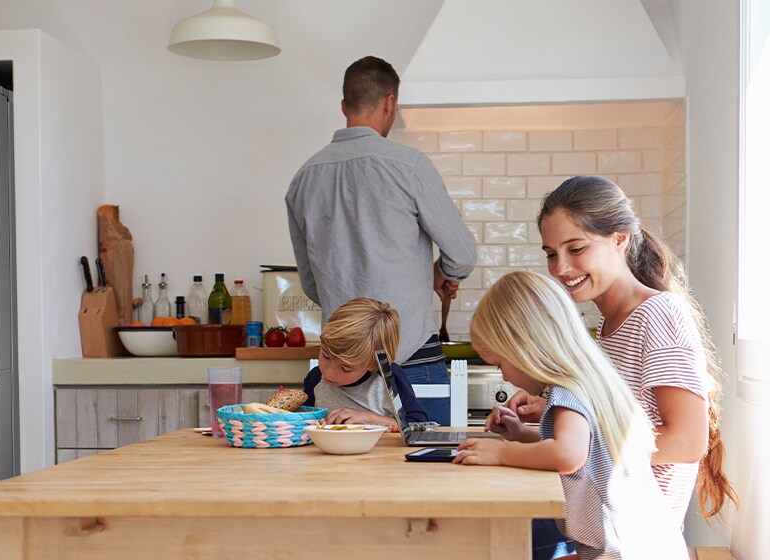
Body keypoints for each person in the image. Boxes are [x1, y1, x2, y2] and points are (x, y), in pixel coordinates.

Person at [503, 176, 737, 525]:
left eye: (576, 249)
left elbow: (686, 441)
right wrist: (541, 427)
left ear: (619, 239)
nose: (561, 268)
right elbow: (617, 432)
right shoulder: (610, 327)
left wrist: (570, 444)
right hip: (602, 532)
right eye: (552, 254)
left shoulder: (658, 315)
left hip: (634, 540)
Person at [286, 55, 477, 426]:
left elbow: (312, 285)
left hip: (339, 369)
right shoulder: (409, 165)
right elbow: (463, 256)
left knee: (332, 471)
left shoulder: (303, 179)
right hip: (411, 358)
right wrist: (438, 273)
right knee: (421, 464)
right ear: (390, 102)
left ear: (344, 106)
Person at [455, 271, 689, 559]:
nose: (502, 373)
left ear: (526, 348)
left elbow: (568, 455)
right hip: (643, 546)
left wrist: (501, 453)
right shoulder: (589, 380)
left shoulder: (568, 390)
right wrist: (522, 434)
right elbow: (589, 446)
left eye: (500, 362)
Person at [302, 297, 426, 428]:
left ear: (373, 365)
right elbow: (302, 424)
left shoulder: (389, 378)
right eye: (326, 356)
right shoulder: (315, 379)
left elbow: (419, 426)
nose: (329, 372)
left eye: (346, 368)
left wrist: (370, 418)